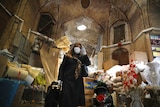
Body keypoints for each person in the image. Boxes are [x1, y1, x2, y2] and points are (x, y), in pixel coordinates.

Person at [58, 42, 91, 107]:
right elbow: (62, 68)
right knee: (66, 97)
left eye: (79, 47)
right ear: (73, 48)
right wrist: (60, 79)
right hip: (67, 79)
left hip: (77, 81)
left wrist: (85, 54)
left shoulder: (81, 57)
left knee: (75, 98)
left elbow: (88, 63)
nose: (77, 48)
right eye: (76, 47)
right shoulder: (67, 56)